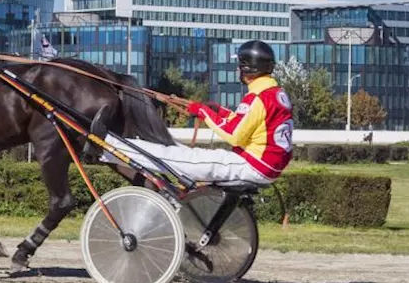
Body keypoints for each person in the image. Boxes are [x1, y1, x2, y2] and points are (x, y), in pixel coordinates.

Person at [94, 40, 295, 186]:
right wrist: (220, 111)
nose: (237, 69)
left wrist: (203, 111)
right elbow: (249, 124)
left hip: (251, 165)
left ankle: (106, 144)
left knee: (171, 157)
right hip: (264, 166)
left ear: (247, 68)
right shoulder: (275, 93)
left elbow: (235, 136)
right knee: (179, 153)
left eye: (239, 65)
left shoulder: (257, 97)